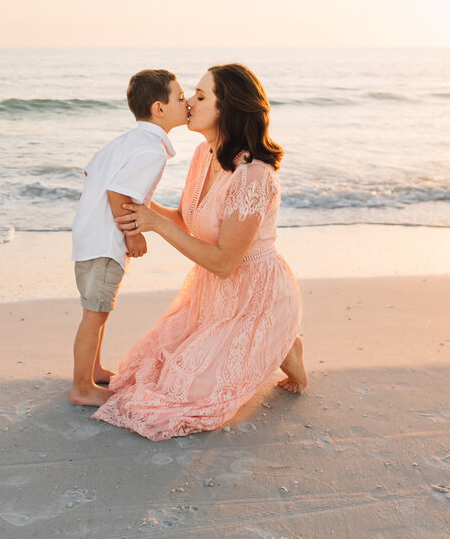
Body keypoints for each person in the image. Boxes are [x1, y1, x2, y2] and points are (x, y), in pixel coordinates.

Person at [92, 64, 307, 441]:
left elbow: (225, 262)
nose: (189, 102)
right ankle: (277, 342)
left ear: (229, 110)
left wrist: (155, 225)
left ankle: (281, 337)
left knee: (187, 396)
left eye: (201, 96)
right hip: (211, 293)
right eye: (192, 93)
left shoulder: (253, 175)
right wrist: (133, 195)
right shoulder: (202, 155)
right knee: (150, 370)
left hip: (254, 293)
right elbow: (188, 220)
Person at [70, 69, 188, 407]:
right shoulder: (150, 149)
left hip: (89, 237)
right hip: (106, 242)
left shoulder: (126, 140)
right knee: (94, 315)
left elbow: (92, 172)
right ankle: (82, 387)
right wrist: (133, 235)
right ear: (159, 108)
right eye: (180, 98)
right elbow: (119, 192)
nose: (187, 103)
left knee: (99, 310)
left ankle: (92, 370)